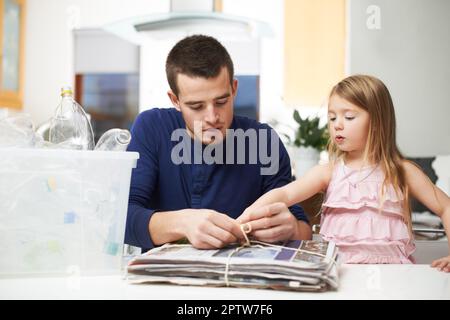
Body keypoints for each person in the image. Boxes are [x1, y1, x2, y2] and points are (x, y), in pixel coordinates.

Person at [239, 75, 450, 271]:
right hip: (340, 276)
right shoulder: (328, 172)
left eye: (348, 117)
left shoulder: (402, 172)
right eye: (332, 118)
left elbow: (445, 206)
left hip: (394, 278)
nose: (337, 125)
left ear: (377, 121)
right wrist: (242, 220)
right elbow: (283, 195)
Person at [125, 35, 311, 251]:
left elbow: (303, 230)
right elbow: (121, 218)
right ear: (175, 100)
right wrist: (183, 223)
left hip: (240, 279)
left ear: (234, 88)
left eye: (221, 101)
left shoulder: (263, 141)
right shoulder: (152, 127)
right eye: (196, 106)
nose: (212, 117)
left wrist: (291, 229)